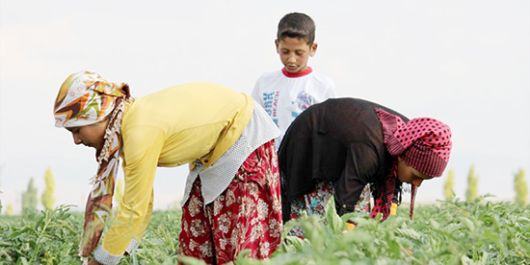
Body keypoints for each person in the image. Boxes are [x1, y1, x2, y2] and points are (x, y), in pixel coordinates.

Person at [53, 71, 283, 265]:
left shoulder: (138, 132)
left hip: (243, 137)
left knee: (239, 247)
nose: (76, 140)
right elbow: (141, 203)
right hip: (213, 151)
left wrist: (102, 261)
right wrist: (114, 253)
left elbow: (135, 209)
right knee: (197, 241)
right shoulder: (129, 126)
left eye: (76, 130)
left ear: (98, 116)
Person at [278, 98, 452, 225]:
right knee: (314, 225)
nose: (417, 184)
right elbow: (345, 203)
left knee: (361, 219)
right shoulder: (369, 152)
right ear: (402, 157)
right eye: (416, 176)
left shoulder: (408, 138)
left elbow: (390, 191)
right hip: (311, 143)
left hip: (347, 151)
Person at [252, 12, 336, 150]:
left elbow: (329, 131)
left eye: (299, 53)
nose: (291, 59)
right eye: (285, 52)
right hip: (271, 163)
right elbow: (254, 125)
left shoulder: (323, 86)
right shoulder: (265, 82)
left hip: (306, 162)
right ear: (276, 45)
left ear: (312, 48)